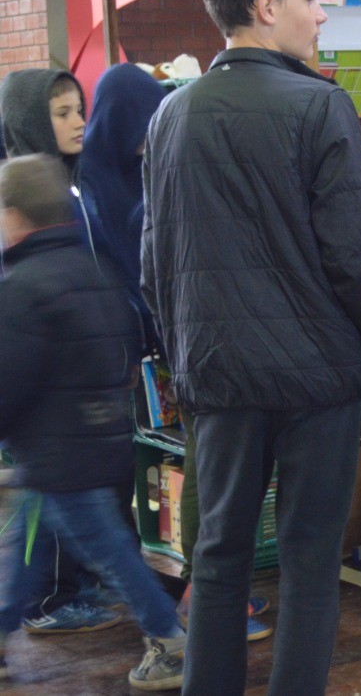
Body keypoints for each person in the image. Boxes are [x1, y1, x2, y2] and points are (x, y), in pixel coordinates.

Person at [141, 0, 361, 695]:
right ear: (265, 3)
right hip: (319, 376)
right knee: (310, 563)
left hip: (217, 374)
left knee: (217, 557)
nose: (321, 16)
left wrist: (184, 354)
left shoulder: (170, 118)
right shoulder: (322, 109)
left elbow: (155, 262)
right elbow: (355, 255)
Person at [80, 64, 274, 641]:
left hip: (170, 350)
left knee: (195, 467)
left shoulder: (141, 177)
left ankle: (194, 592)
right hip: (144, 358)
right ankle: (196, 598)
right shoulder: (94, 190)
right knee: (195, 473)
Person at [0, 154, 185, 689]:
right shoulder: (94, 269)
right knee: (32, 544)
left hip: (57, 452)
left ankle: (170, 640)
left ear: (15, 217)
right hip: (100, 440)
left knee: (109, 551)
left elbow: (11, 378)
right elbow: (125, 347)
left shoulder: (21, 287)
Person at [0, 68, 125, 635]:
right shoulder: (20, 201)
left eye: (80, 108)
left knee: (56, 502)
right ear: (31, 119)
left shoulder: (77, 184)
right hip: (42, 381)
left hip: (76, 374)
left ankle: (49, 594)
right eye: (62, 112)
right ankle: (48, 601)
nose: (79, 121)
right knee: (46, 502)